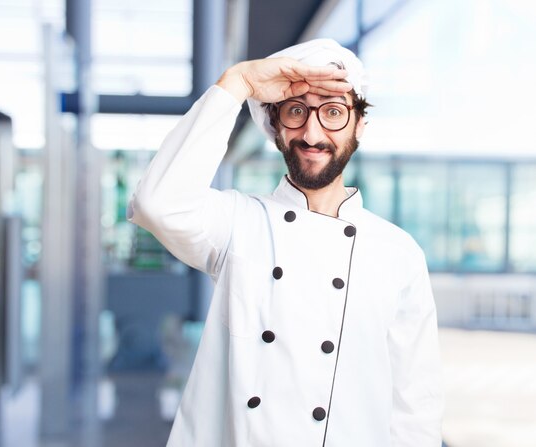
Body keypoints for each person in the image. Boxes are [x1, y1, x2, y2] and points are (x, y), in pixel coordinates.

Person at [128, 39, 443, 446]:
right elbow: (156, 203)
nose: (312, 133)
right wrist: (237, 82)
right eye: (296, 112)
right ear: (276, 128)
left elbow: (415, 404)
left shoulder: (398, 254)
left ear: (359, 125)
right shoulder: (237, 222)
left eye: (333, 112)